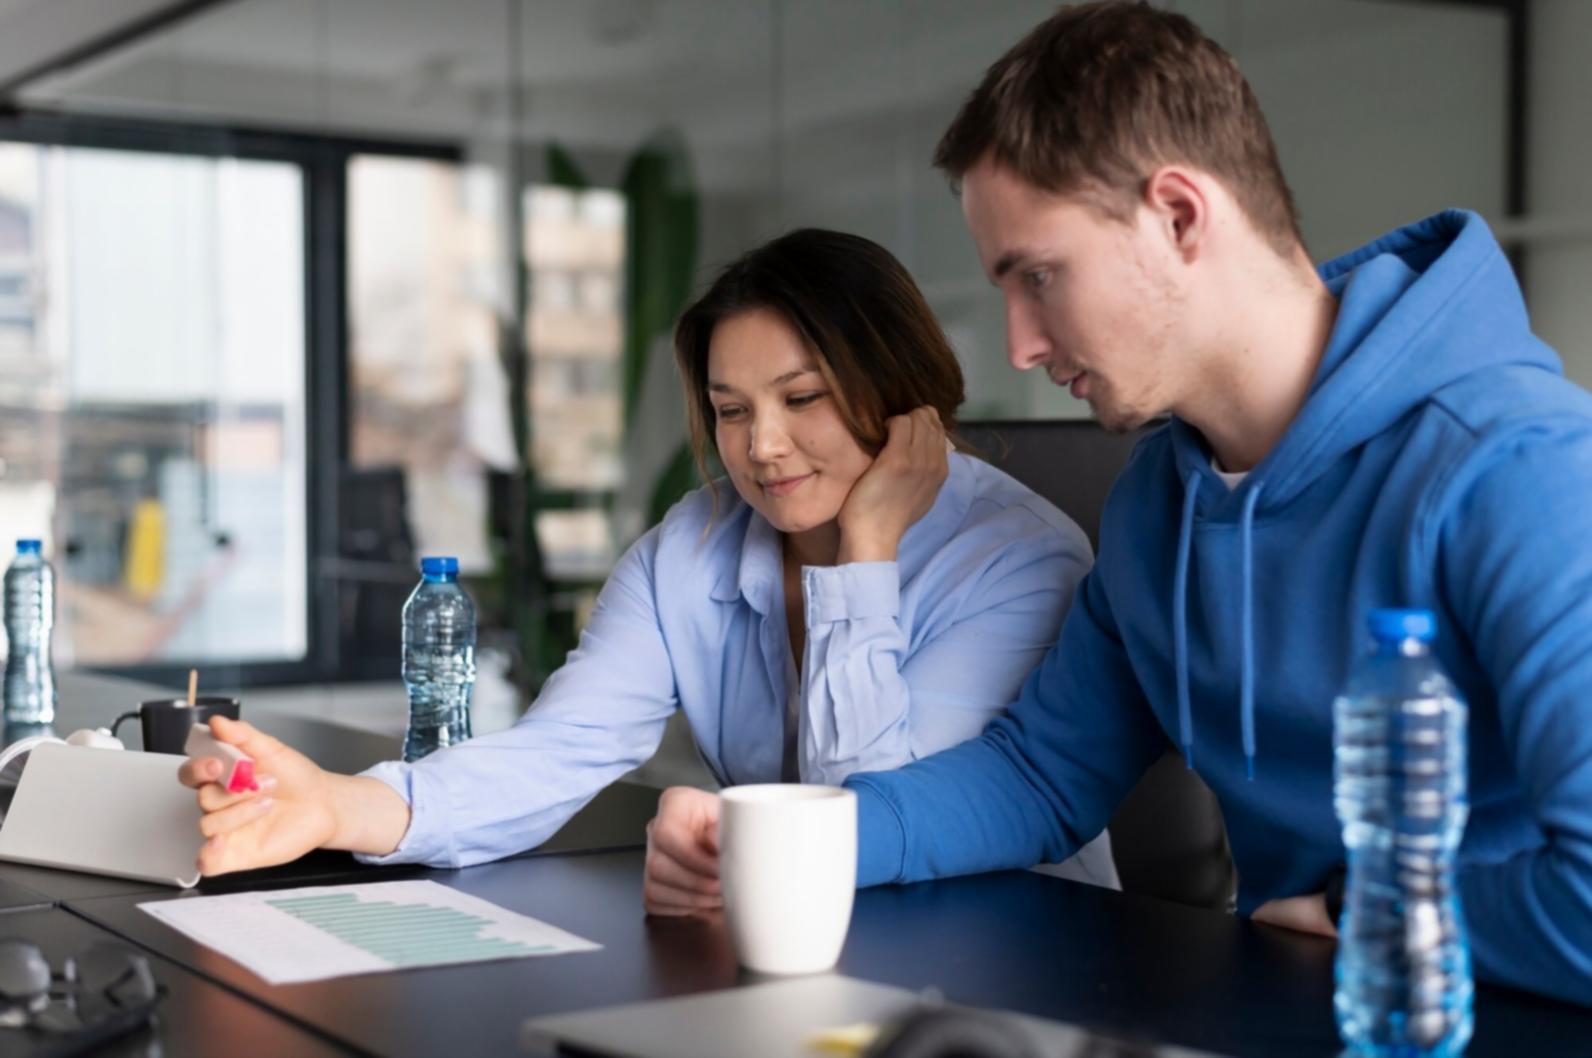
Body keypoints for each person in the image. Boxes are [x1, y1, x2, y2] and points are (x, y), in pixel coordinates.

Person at [644, 1, 1592, 1005]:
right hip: (1289, 1009)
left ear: (1178, 215)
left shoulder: (1521, 471)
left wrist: (1374, 909)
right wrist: (779, 838)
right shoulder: (1158, 502)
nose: (1015, 344)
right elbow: (1039, 775)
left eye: (1038, 277)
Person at [181, 227, 1117, 895]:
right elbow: (560, 751)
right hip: (796, 960)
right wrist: (338, 807)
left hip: (1019, 962)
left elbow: (855, 828)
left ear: (903, 393)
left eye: (804, 398)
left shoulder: (1022, 561)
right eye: (734, 409)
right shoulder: (693, 545)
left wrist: (866, 559)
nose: (765, 448)